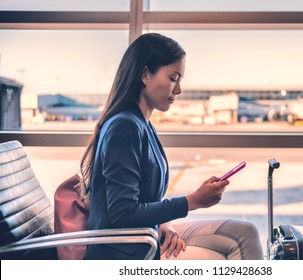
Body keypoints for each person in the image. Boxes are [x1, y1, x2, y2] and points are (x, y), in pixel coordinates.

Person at [79, 33, 263, 260]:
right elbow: (122, 214)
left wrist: (165, 223)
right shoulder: (124, 127)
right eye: (173, 78)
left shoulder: (143, 125)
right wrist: (192, 201)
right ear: (145, 74)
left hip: (147, 234)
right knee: (229, 254)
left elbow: (143, 200)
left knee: (245, 233)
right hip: (126, 252)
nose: (178, 90)